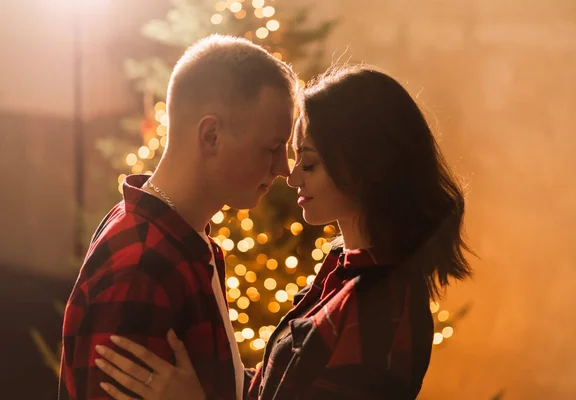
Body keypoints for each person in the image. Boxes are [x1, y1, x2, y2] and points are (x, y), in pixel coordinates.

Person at [94, 64, 474, 399]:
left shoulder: (378, 310)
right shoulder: (343, 268)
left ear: (363, 169)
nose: (289, 177)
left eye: (308, 164)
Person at [59, 34, 298, 400]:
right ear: (212, 135)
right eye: (272, 148)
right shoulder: (142, 267)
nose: (284, 167)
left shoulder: (187, 237)